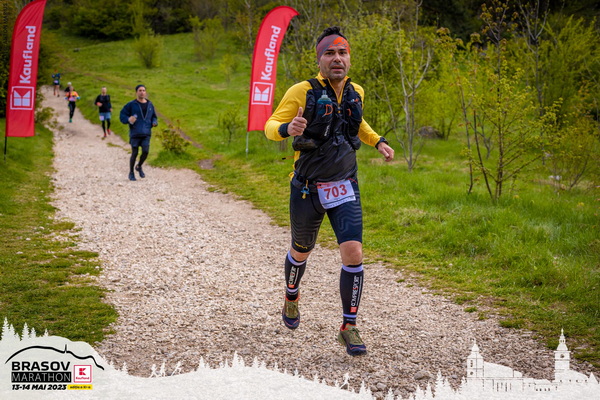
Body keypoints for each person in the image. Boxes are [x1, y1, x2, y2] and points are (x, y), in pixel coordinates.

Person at [264, 26, 394, 356]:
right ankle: (291, 295)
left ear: (349, 58)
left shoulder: (356, 91)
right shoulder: (301, 91)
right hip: (308, 189)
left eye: (342, 53)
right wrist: (287, 128)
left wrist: (378, 141)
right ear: (319, 59)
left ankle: (349, 326)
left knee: (354, 254)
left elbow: (356, 124)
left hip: (345, 185)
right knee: (301, 251)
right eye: (330, 53)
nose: (337, 58)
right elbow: (269, 126)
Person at [119, 84, 158, 181]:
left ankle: (139, 166)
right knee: (135, 153)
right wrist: (128, 119)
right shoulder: (131, 105)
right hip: (135, 133)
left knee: (145, 152)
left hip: (146, 133)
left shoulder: (150, 104)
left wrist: (154, 122)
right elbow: (122, 115)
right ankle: (131, 173)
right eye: (140, 90)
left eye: (143, 90)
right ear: (136, 92)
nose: (142, 92)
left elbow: (154, 116)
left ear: (145, 92)